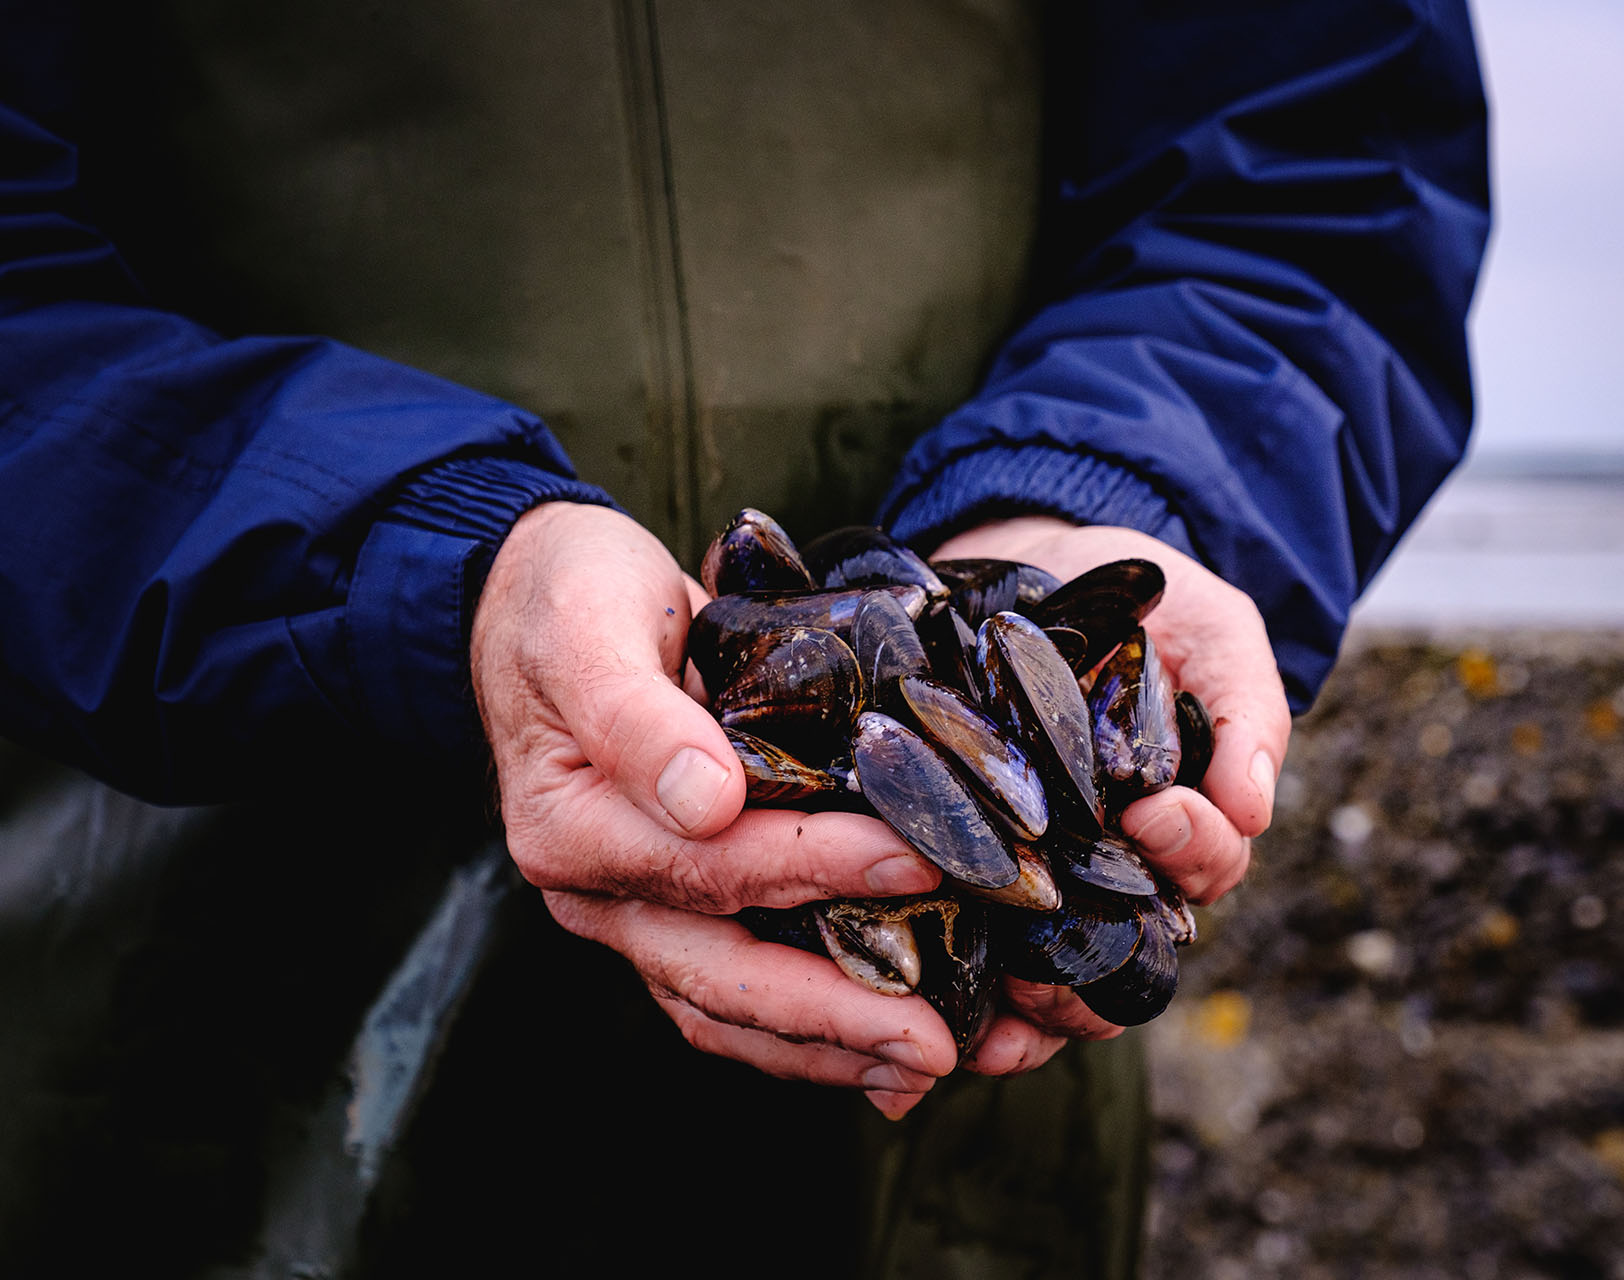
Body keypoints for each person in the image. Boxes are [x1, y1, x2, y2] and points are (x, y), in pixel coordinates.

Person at [0, 1, 1488, 1274]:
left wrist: (1107, 491)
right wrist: (410, 567)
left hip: (952, 1063)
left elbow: (1313, 166)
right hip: (180, 1005)